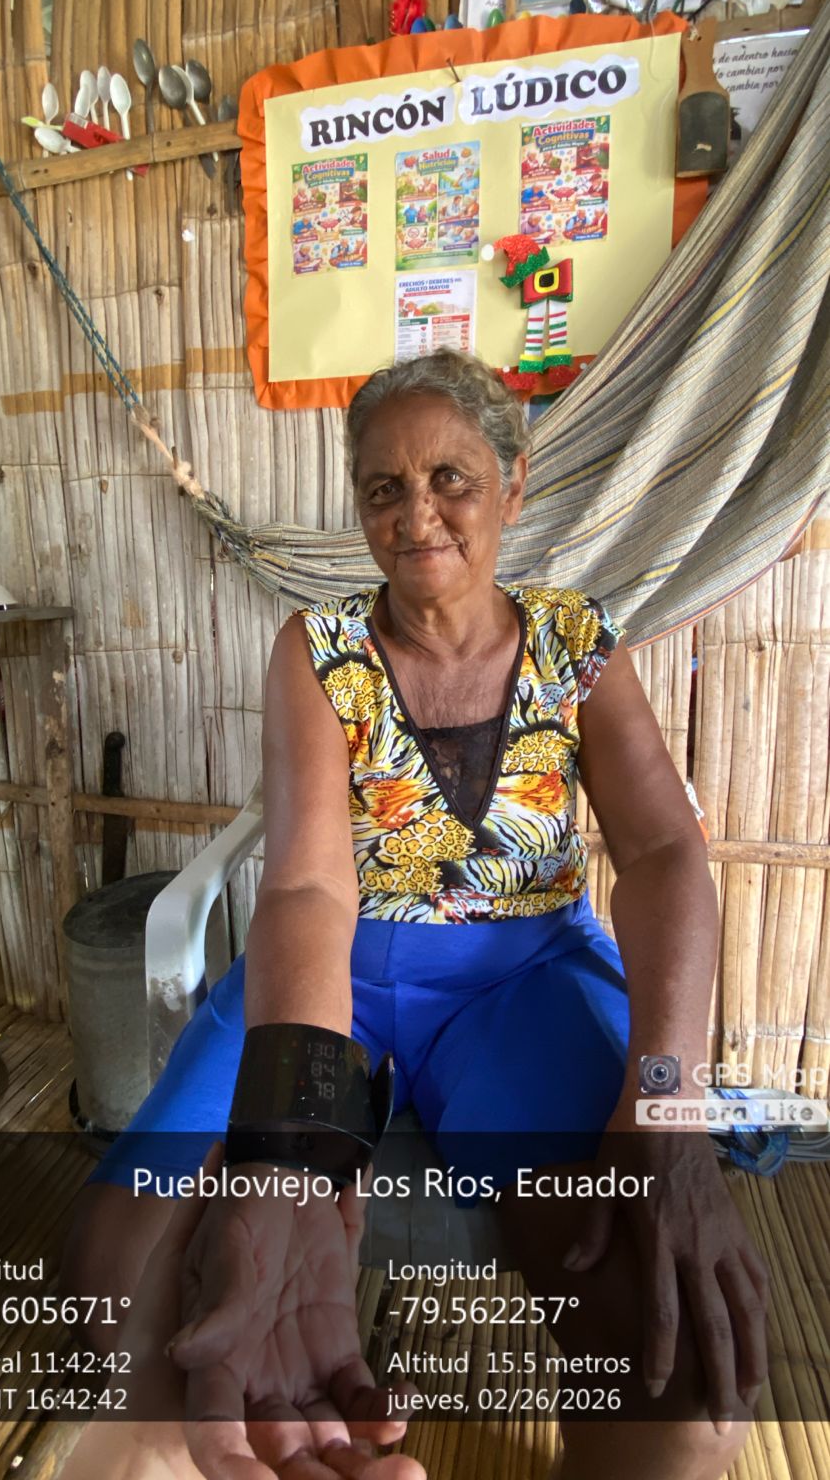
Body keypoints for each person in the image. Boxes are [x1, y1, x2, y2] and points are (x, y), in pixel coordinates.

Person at [61, 348, 768, 1480]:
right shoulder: (321, 652)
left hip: (519, 983)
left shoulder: (575, 644)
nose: (416, 514)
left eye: (452, 479)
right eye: (384, 487)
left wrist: (669, 1102)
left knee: (676, 1374)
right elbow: (306, 889)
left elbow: (664, 852)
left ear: (514, 485)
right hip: (323, 982)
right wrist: (288, 1153)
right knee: (113, 1274)